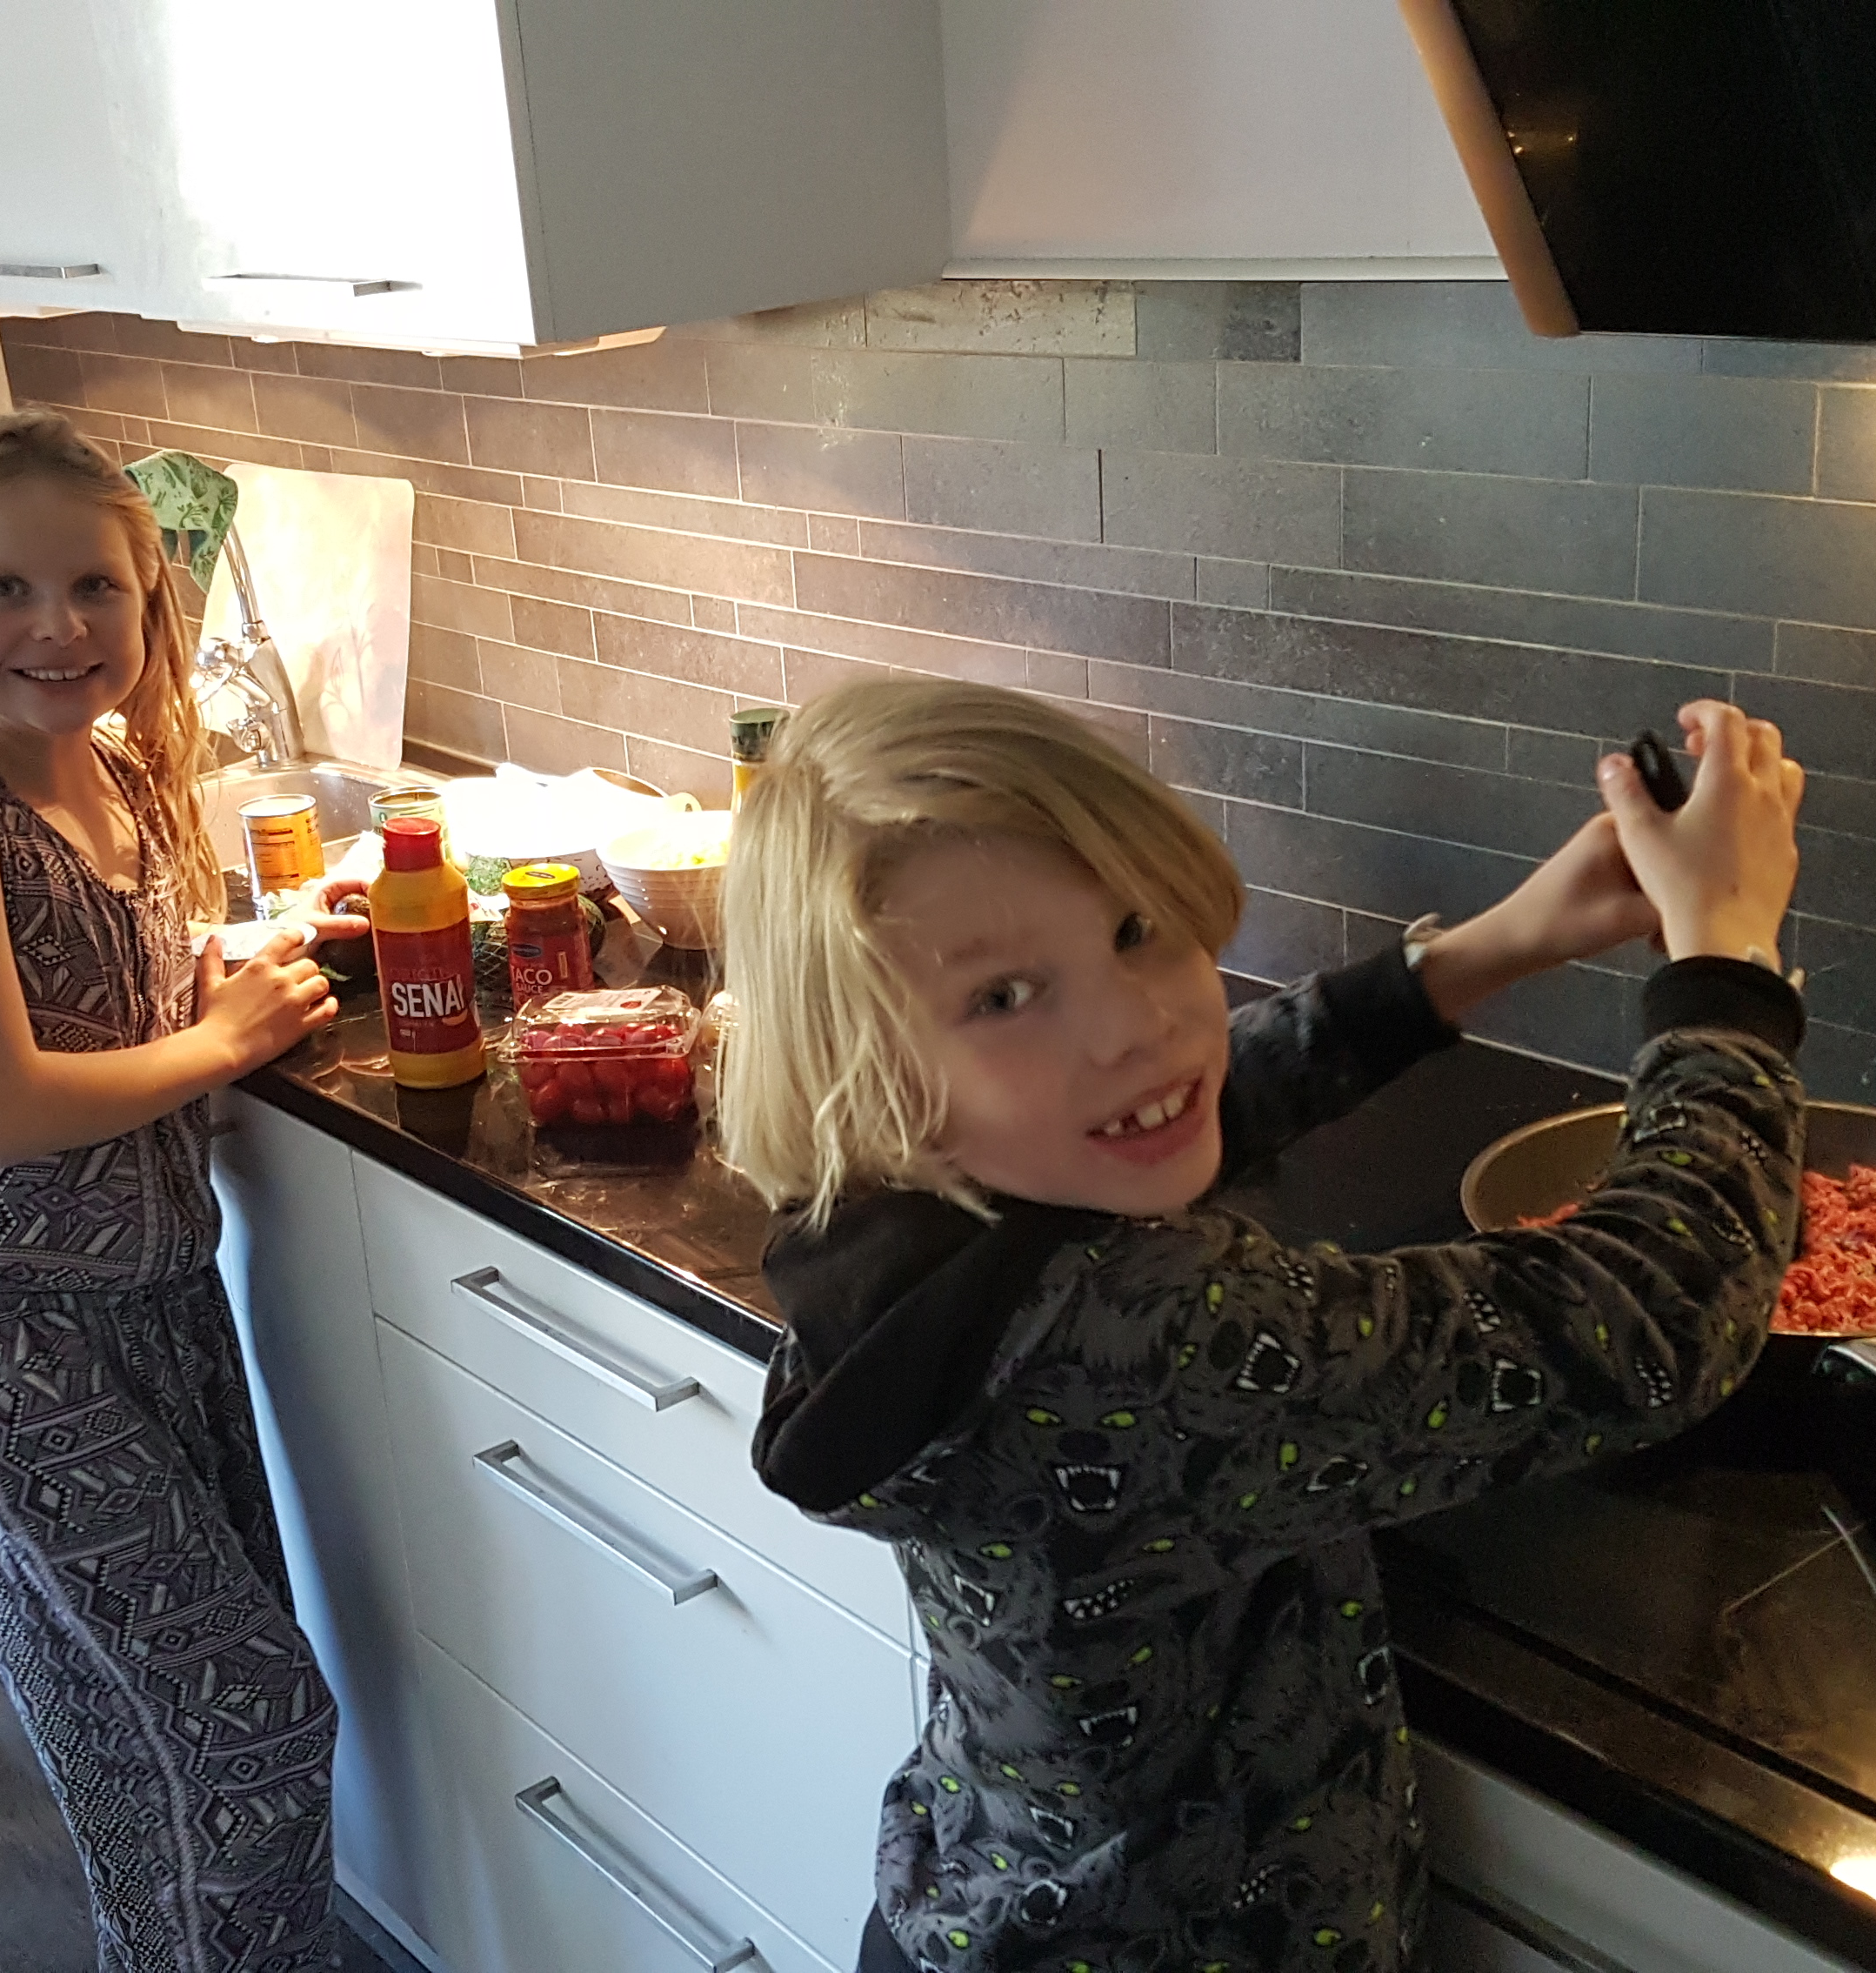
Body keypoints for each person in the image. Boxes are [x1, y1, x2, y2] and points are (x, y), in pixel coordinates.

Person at [724, 679, 1809, 1972]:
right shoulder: (1143, 1342)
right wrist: (1726, 976)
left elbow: (1170, 1111)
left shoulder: (889, 1223)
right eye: (1005, 996)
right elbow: (1648, 1320)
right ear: (871, 1074)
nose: (1137, 1026)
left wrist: (1494, 948)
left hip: (981, 1896)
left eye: (1135, 928)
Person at [0, 397, 357, 1971]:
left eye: (94, 589)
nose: (56, 627)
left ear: (147, 602)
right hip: (21, 1347)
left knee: (182, 1753)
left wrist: (236, 968)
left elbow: (109, 1001)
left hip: (166, 1318)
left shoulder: (116, 773)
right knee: (237, 1734)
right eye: (5, 589)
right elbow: (1, 1110)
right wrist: (227, 1038)